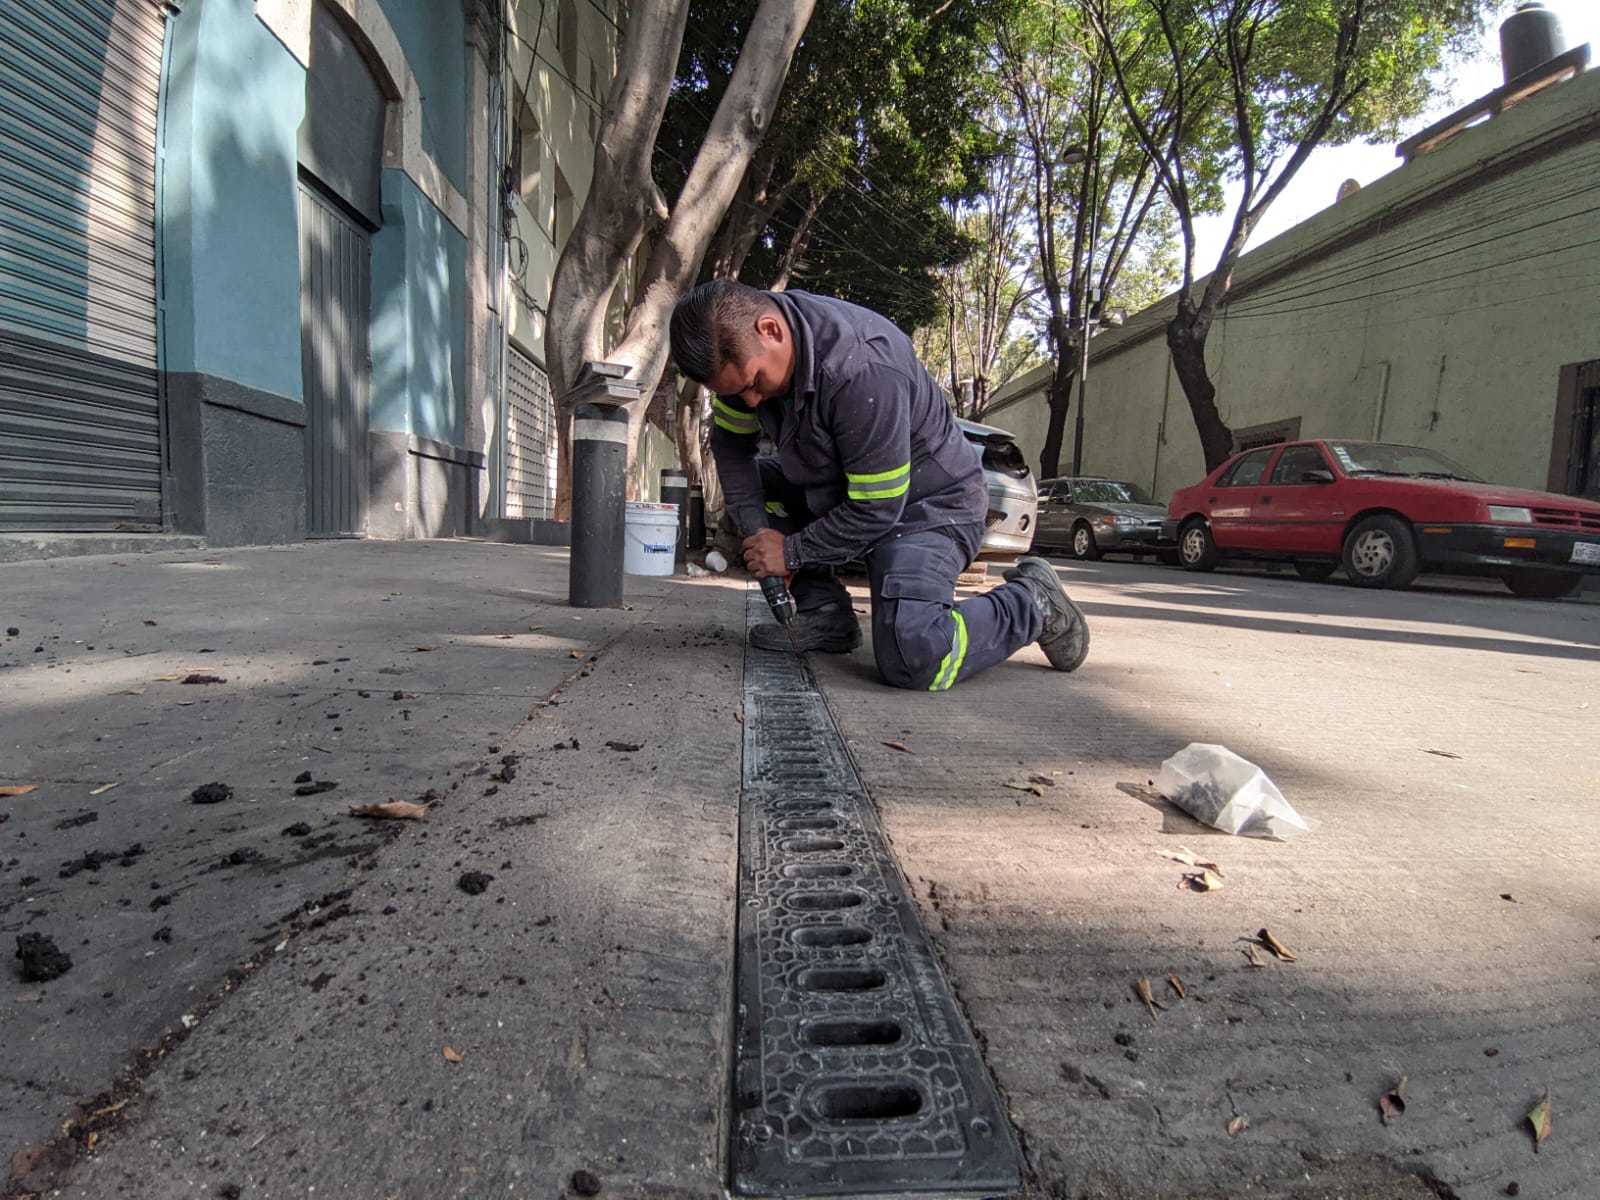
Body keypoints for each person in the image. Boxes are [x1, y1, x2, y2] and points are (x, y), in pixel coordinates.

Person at [668, 280, 1089, 690]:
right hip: (843, 490)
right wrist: (757, 530)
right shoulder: (740, 364)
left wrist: (790, 553)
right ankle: (826, 612)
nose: (752, 403)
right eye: (735, 395)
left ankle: (1032, 604)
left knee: (916, 655)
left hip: (926, 508)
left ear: (771, 330)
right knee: (755, 491)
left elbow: (877, 508)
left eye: (754, 384)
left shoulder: (862, 368)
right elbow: (734, 451)